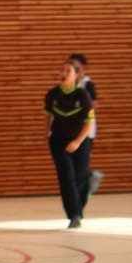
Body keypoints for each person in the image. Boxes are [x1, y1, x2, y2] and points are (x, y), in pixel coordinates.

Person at [45, 60, 94, 229]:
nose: (63, 73)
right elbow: (49, 115)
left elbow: (89, 122)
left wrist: (77, 142)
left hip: (80, 140)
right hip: (58, 141)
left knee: (80, 177)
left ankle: (88, 181)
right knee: (66, 177)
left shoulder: (82, 95)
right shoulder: (52, 94)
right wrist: (47, 132)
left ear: (76, 75)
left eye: (68, 71)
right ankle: (74, 215)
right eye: (62, 70)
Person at [69, 53, 104, 200]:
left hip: (86, 131)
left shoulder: (88, 84)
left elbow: (94, 105)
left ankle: (80, 195)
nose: (72, 68)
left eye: (75, 66)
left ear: (82, 68)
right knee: (72, 164)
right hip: (70, 130)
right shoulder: (68, 84)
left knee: (80, 165)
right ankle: (89, 177)